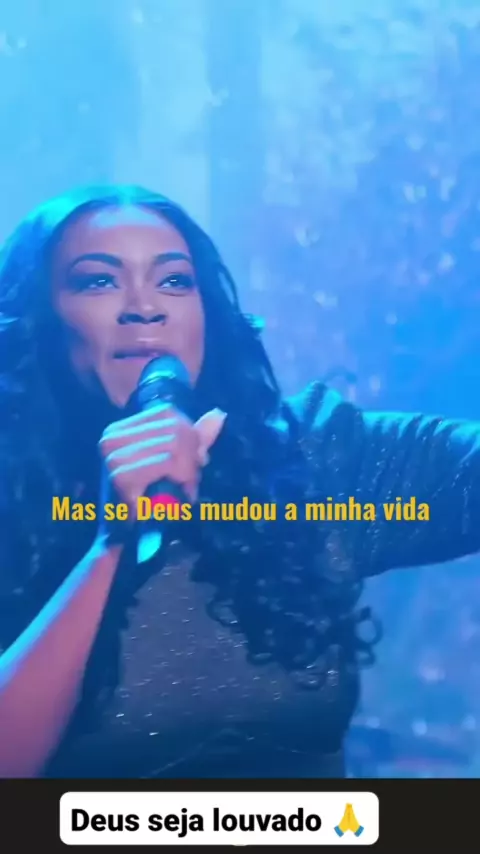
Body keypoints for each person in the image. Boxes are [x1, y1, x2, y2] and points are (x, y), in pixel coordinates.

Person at [0, 185, 479, 780]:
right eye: (98, 281)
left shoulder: (309, 459)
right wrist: (113, 541)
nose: (145, 307)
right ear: (39, 322)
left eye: (174, 281)